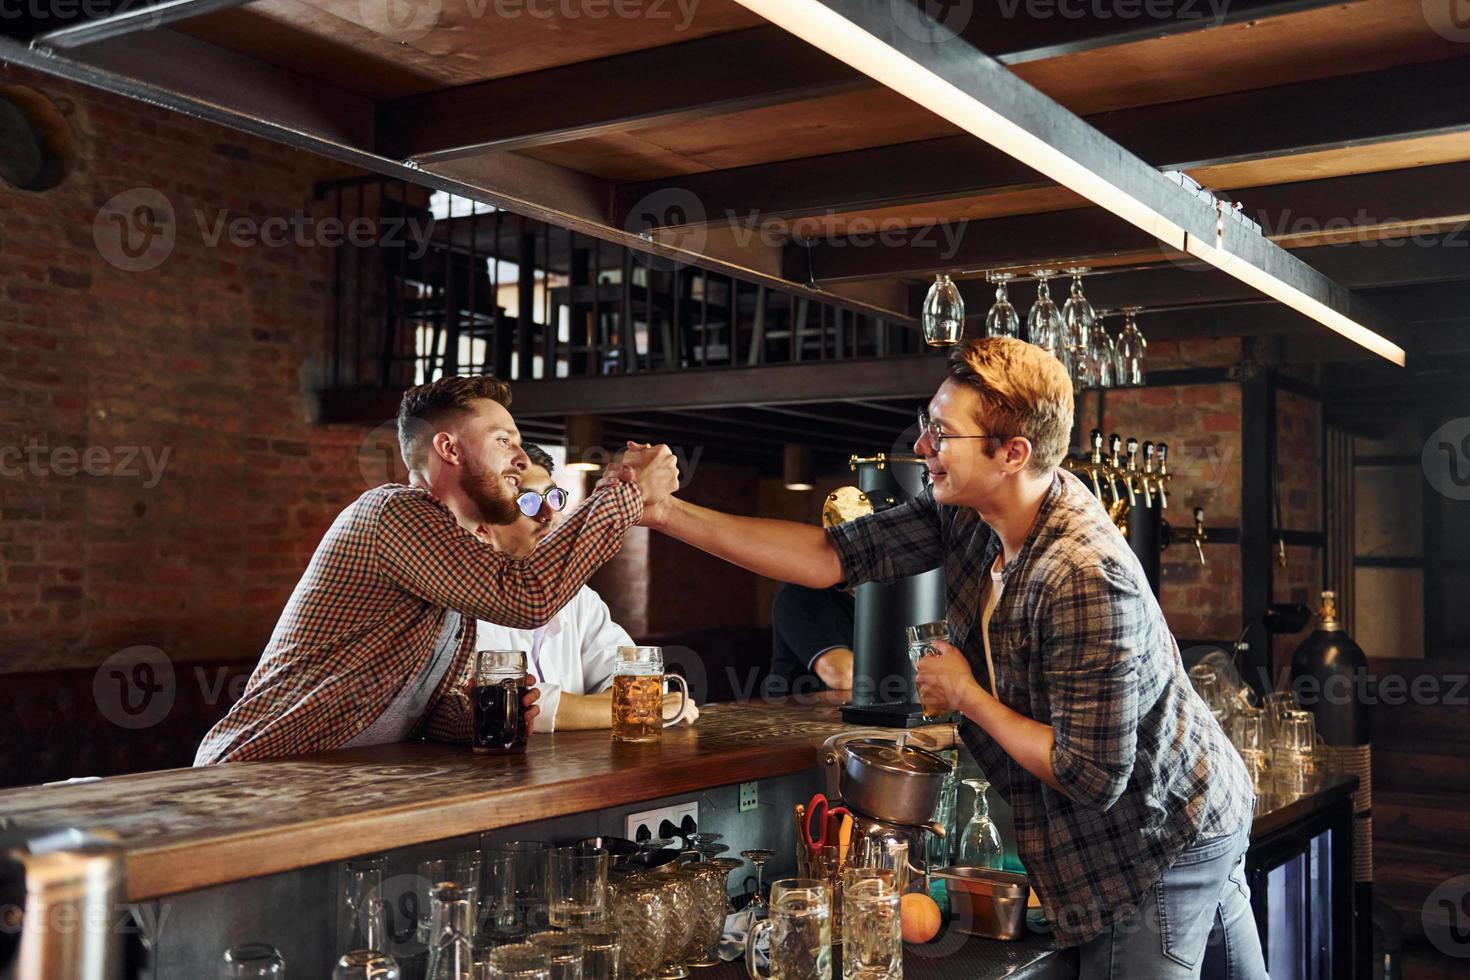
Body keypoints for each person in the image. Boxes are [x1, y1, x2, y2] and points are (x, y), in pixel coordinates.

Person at [624, 337, 1264, 978]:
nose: (922, 447)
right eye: (927, 426)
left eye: (941, 434)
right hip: (1181, 811)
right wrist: (666, 513)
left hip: (1153, 842)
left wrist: (967, 697)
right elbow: (831, 556)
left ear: (1012, 453)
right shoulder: (970, 515)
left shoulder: (1083, 574)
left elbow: (1091, 775)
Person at [195, 376, 678, 764]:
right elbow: (529, 598)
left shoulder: (456, 557)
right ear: (449, 449)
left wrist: (476, 717)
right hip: (254, 773)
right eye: (504, 439)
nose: (520, 456)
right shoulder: (394, 513)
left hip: (329, 781)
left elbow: (420, 704)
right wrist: (627, 493)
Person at [475, 444, 698, 731]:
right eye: (528, 502)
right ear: (484, 528)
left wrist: (635, 702)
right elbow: (517, 706)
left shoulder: (579, 598)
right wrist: (639, 709)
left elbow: (641, 682)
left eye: (554, 498)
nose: (548, 514)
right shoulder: (465, 602)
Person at [765, 584, 854, 699]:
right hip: (794, 711)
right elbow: (842, 675)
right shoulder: (798, 593)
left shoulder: (876, 600)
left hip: (848, 710)